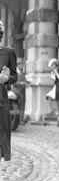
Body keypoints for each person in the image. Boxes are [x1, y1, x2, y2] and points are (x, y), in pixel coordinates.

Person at [0, 19, 18, 161]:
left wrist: (6, 79)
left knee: (2, 130)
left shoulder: (8, 52)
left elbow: (14, 76)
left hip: (1, 96)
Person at [12, 58, 28, 125]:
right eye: (21, 64)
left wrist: (27, 82)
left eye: (22, 64)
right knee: (19, 106)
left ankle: (21, 120)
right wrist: (21, 83)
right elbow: (13, 82)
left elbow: (25, 81)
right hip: (17, 92)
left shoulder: (22, 73)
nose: (22, 65)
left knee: (22, 106)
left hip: (22, 91)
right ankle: (19, 121)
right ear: (17, 65)